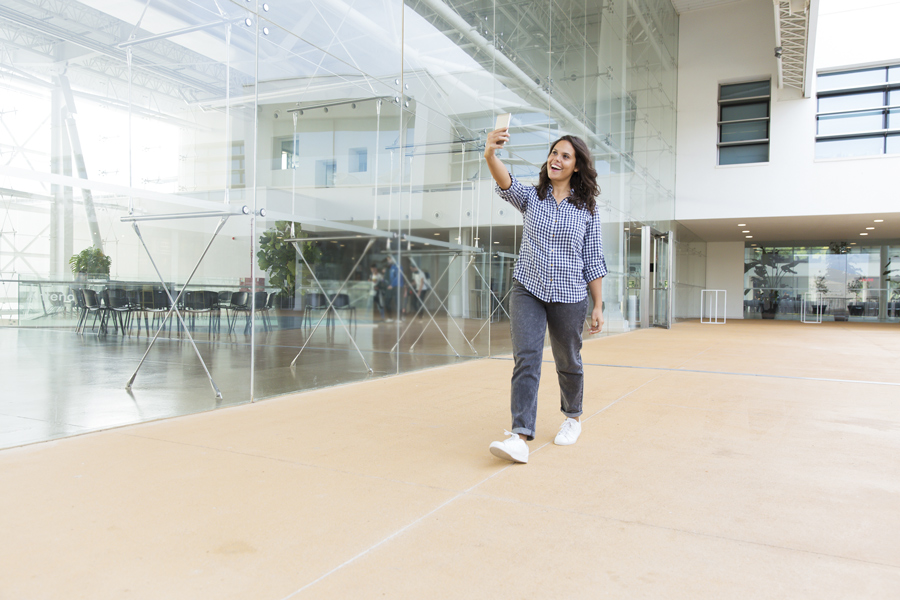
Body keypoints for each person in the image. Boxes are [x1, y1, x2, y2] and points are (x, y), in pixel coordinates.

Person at [484, 127, 607, 464]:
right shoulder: (533, 197)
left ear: (576, 166)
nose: (557, 159)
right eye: (554, 153)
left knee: (568, 359)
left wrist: (597, 304)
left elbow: (593, 258)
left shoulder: (587, 210)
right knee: (527, 357)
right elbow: (506, 184)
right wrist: (491, 155)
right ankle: (520, 435)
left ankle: (573, 416)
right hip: (529, 288)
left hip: (569, 294)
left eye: (565, 156)